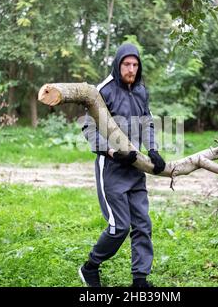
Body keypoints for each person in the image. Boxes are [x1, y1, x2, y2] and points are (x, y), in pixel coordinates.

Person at [79, 43, 166, 287]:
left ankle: (139, 279)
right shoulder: (102, 91)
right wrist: (112, 152)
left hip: (136, 167)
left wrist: (154, 151)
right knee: (119, 226)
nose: (131, 69)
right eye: (126, 64)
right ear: (118, 64)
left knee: (142, 223)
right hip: (112, 168)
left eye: (135, 65)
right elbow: (89, 128)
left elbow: (147, 122)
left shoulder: (140, 90)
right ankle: (90, 267)